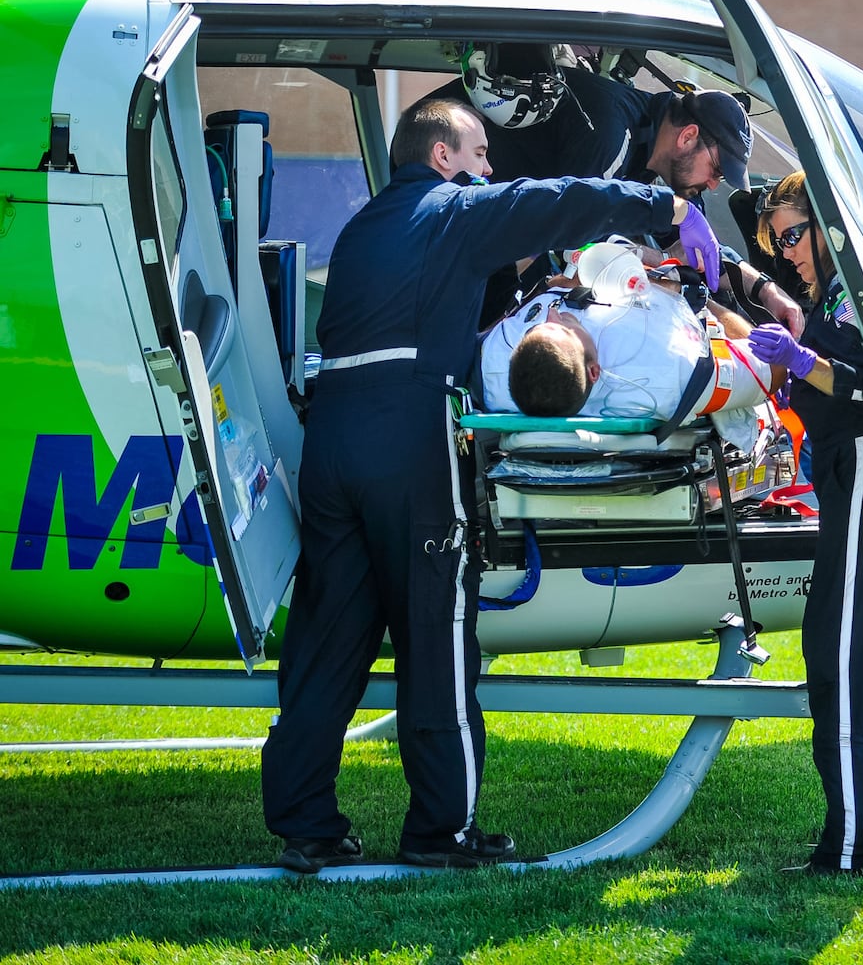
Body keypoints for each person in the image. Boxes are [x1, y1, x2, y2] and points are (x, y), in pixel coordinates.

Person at [259, 96, 721, 873]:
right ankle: (441, 830)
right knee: (436, 632)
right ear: (442, 158)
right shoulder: (451, 211)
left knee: (328, 633)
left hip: (332, 437)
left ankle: (304, 822)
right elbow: (553, 201)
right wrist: (663, 203)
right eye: (478, 154)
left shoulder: (369, 225)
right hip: (409, 432)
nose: (489, 169)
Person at [747, 172, 863, 877]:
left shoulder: (858, 292)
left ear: (826, 225)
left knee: (844, 666)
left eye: (792, 234)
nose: (784, 251)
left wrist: (803, 362)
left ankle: (856, 847)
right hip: (859, 478)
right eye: (775, 240)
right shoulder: (835, 293)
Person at [435, 49, 802, 332]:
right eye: (717, 170)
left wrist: (768, 293)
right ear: (688, 137)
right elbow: (576, 251)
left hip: (494, 242)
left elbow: (699, 247)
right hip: (452, 225)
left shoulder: (662, 161)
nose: (712, 184)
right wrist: (662, 265)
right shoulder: (612, 133)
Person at [477, 268, 774, 424]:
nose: (554, 313)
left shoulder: (494, 361)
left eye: (541, 322)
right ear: (594, 372)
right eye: (565, 328)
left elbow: (551, 288)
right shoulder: (677, 374)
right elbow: (773, 368)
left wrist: (559, 284)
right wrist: (697, 301)